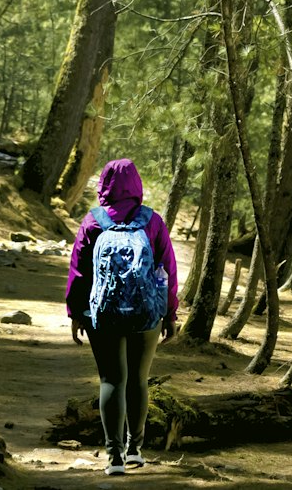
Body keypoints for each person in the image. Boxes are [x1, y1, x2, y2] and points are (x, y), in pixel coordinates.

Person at [66, 158, 179, 476]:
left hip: (102, 314)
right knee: (139, 380)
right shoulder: (152, 221)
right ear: (137, 184)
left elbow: (78, 273)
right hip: (146, 315)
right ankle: (135, 450)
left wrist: (75, 313)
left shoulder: (93, 221)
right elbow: (166, 270)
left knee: (111, 380)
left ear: (103, 185)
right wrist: (169, 312)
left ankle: (113, 457)